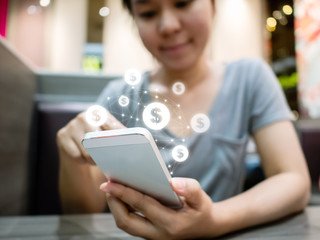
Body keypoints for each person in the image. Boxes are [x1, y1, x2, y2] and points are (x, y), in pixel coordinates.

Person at [57, 0, 311, 239]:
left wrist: (215, 219)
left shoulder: (249, 78)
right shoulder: (120, 96)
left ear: (213, 5)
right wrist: (71, 158)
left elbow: (293, 179)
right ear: (134, 20)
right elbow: (81, 211)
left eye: (183, 3)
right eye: (148, 13)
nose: (168, 25)